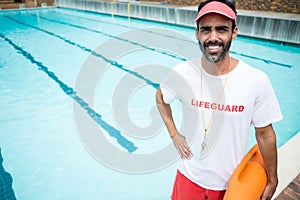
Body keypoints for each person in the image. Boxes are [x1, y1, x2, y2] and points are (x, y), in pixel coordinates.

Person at [156, 0, 283, 199]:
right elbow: (161, 98)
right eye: (206, 30)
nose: (213, 37)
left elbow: (265, 134)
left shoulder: (256, 80)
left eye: (222, 29)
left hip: (232, 187)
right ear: (197, 34)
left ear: (234, 32)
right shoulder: (182, 73)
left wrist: (273, 178)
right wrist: (174, 134)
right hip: (188, 179)